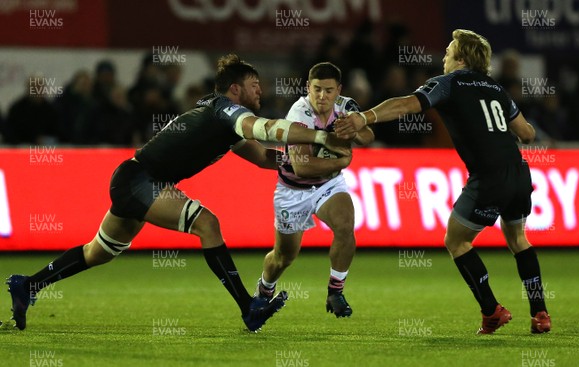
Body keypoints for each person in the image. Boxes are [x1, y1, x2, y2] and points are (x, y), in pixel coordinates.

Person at [5, 54, 350, 332]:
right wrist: (319, 137)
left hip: (135, 178)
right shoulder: (225, 109)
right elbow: (265, 129)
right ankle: (249, 307)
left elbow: (261, 155)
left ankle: (28, 285)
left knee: (99, 252)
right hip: (141, 180)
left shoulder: (221, 116)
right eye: (254, 85)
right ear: (235, 89)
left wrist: (295, 162)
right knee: (208, 224)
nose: (261, 92)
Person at [335, 30, 551, 334]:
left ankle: (491, 311)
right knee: (518, 240)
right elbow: (527, 134)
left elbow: (406, 105)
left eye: (448, 52)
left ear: (461, 59)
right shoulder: (496, 87)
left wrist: (364, 117)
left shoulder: (448, 83)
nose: (444, 58)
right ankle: (540, 313)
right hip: (518, 173)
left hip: (488, 177)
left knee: (456, 240)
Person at [254, 62, 374, 318]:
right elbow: (302, 168)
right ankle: (264, 290)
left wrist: (354, 127)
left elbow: (368, 137)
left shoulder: (346, 106)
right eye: (317, 89)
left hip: (328, 184)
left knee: (345, 226)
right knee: (284, 257)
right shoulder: (299, 115)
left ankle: (335, 291)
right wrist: (341, 161)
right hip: (293, 191)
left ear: (338, 90)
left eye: (329, 91)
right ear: (308, 87)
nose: (322, 96)